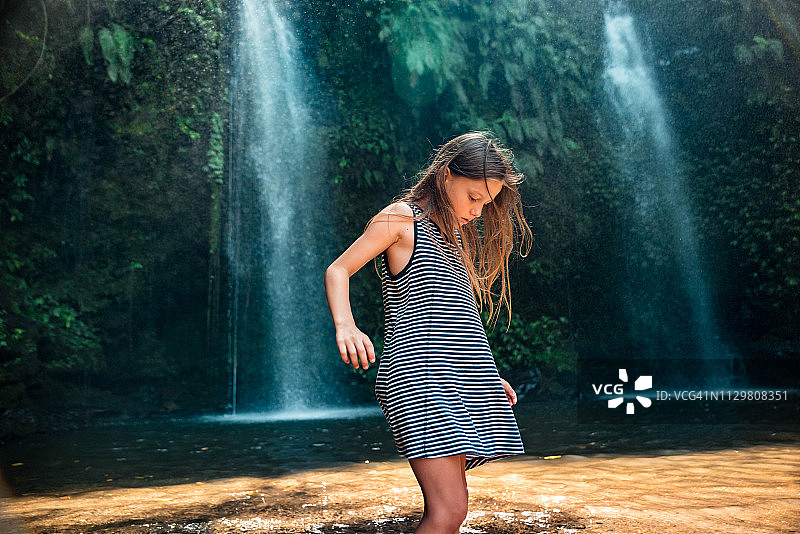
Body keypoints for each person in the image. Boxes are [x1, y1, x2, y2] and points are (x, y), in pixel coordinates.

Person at [324, 131, 533, 533]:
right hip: (419, 378)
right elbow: (338, 270)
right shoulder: (400, 219)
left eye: (485, 203)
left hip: (455, 378)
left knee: (455, 509)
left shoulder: (453, 236)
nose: (477, 211)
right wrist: (346, 325)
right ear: (446, 175)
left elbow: (453, 319)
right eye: (473, 197)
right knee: (448, 511)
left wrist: (487, 376)